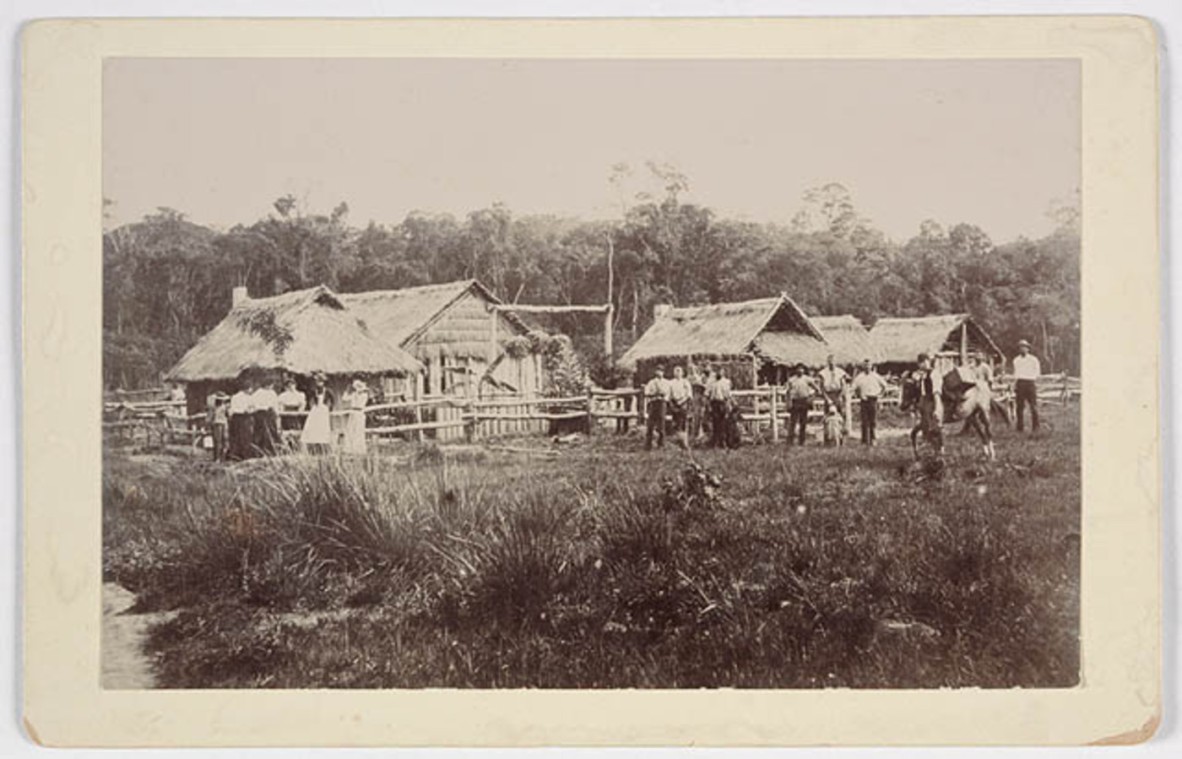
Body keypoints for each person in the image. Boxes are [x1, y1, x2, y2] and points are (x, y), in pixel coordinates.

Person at [851, 359, 887, 445]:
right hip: (864, 400)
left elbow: (884, 386)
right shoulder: (860, 377)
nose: (867, 367)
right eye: (865, 365)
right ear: (863, 367)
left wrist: (880, 395)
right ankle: (864, 440)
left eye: (869, 365)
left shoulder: (876, 376)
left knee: (873, 420)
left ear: (871, 366)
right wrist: (859, 395)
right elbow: (854, 387)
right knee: (864, 421)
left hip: (873, 399)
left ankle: (873, 439)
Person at [915, 352, 944, 456]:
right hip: (926, 400)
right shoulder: (923, 375)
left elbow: (936, 391)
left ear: (928, 362)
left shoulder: (934, 374)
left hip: (933, 400)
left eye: (924, 362)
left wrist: (937, 407)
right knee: (925, 424)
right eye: (920, 363)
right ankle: (929, 447)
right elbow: (922, 391)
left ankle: (939, 449)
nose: (922, 365)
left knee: (933, 425)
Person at [301, 372, 334, 454]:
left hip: (324, 410)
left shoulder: (328, 391)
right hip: (315, 410)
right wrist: (312, 406)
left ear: (324, 382)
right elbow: (309, 400)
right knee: (313, 428)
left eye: (321, 382)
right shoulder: (314, 391)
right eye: (318, 382)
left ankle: (323, 447)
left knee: (323, 428)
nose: (319, 383)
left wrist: (329, 408)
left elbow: (333, 400)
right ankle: (313, 447)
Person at [1012, 339, 1041, 432]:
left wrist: (1032, 379)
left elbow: (1037, 372)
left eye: (1024, 347)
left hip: (1030, 383)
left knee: (1033, 406)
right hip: (1020, 384)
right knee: (1019, 407)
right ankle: (1020, 427)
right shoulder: (1016, 360)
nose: (1022, 349)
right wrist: (1015, 384)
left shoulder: (1033, 359)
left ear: (1028, 349)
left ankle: (1036, 427)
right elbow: (1016, 374)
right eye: (1020, 347)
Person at [227, 373, 256, 461]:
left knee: (243, 436)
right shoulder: (238, 397)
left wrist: (250, 410)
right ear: (247, 388)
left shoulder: (245, 397)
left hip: (241, 417)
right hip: (240, 418)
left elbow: (252, 407)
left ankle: (240, 455)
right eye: (250, 388)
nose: (251, 390)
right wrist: (245, 410)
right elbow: (234, 409)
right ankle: (240, 455)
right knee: (242, 436)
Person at [786, 363, 816, 446]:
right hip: (795, 401)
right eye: (798, 369)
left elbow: (816, 389)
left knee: (803, 422)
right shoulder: (791, 380)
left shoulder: (808, 379)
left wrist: (811, 398)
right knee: (793, 422)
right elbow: (788, 392)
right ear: (796, 370)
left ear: (804, 370)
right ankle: (790, 441)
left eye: (802, 369)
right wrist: (789, 402)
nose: (800, 370)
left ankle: (801, 441)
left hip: (804, 401)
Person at [251, 375, 280, 456]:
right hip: (261, 414)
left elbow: (275, 404)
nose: (271, 386)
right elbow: (254, 404)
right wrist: (263, 407)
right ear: (266, 384)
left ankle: (271, 451)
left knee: (272, 431)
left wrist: (276, 413)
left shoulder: (272, 393)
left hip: (270, 414)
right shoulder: (258, 393)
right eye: (270, 385)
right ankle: (259, 451)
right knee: (261, 432)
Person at [340, 378, 370, 454]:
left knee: (358, 431)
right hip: (353, 413)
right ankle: (350, 449)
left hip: (359, 413)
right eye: (357, 387)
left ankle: (358, 449)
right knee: (350, 430)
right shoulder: (354, 394)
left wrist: (357, 394)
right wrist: (347, 390)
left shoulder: (364, 395)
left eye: (359, 387)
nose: (358, 389)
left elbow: (360, 403)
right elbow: (344, 398)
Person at [705, 365, 733, 449]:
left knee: (723, 423)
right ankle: (715, 443)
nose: (719, 373)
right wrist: (708, 406)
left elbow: (728, 395)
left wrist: (728, 405)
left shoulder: (726, 382)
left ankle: (723, 442)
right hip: (714, 403)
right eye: (717, 371)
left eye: (720, 371)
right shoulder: (711, 381)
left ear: (723, 373)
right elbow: (707, 394)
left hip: (722, 403)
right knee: (715, 423)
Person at [666, 365, 693, 449]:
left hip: (683, 403)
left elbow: (689, 394)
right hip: (674, 403)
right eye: (676, 371)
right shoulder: (670, 383)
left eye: (679, 371)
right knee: (676, 423)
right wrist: (672, 404)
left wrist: (683, 402)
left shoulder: (685, 382)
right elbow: (668, 395)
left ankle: (685, 442)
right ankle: (678, 442)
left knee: (683, 423)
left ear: (682, 373)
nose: (677, 373)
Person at [644, 365, 670, 450]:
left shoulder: (666, 382)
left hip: (662, 403)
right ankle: (648, 445)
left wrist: (661, 394)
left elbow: (667, 393)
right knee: (650, 424)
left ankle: (661, 444)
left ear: (663, 372)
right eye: (658, 371)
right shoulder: (651, 382)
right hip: (653, 402)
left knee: (661, 424)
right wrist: (655, 393)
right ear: (655, 372)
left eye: (661, 371)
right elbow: (647, 393)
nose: (659, 373)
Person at [818, 354, 849, 428]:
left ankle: (841, 432)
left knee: (841, 413)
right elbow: (821, 387)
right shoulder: (823, 373)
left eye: (833, 361)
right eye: (830, 361)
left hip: (838, 394)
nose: (831, 363)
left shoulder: (840, 372)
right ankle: (827, 433)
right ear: (827, 362)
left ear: (835, 362)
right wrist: (827, 398)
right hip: (828, 394)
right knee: (827, 415)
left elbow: (843, 386)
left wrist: (840, 397)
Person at [206, 391, 230, 461]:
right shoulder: (213, 407)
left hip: (224, 424)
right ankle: (217, 457)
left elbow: (227, 415)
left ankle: (222, 457)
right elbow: (210, 417)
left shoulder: (224, 407)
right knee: (218, 441)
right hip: (217, 424)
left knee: (224, 440)